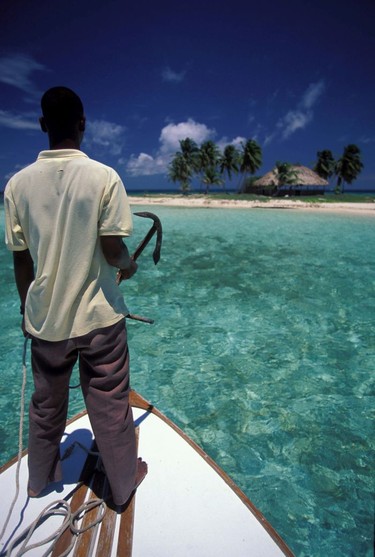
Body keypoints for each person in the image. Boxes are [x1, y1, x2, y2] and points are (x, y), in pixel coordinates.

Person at [4, 86, 147, 507]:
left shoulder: (16, 185)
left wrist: (26, 307)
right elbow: (112, 248)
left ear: (43, 125)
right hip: (99, 319)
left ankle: (38, 480)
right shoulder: (105, 177)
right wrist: (129, 266)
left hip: (46, 320)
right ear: (83, 125)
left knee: (46, 404)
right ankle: (122, 484)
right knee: (110, 402)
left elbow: (22, 262)